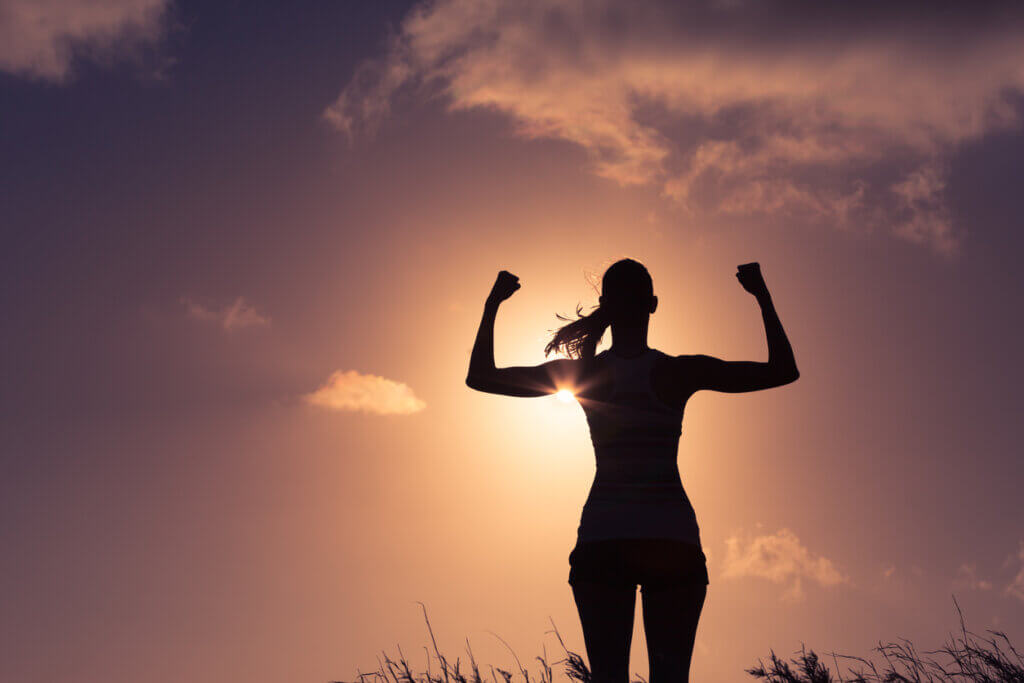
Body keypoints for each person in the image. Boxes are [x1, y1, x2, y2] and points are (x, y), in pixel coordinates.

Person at [465, 258, 799, 683]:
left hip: (605, 540)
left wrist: (493, 304)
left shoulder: (585, 373)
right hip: (671, 539)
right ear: (653, 304)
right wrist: (761, 297)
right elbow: (781, 371)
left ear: (605, 305)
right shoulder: (678, 371)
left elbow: (482, 377)